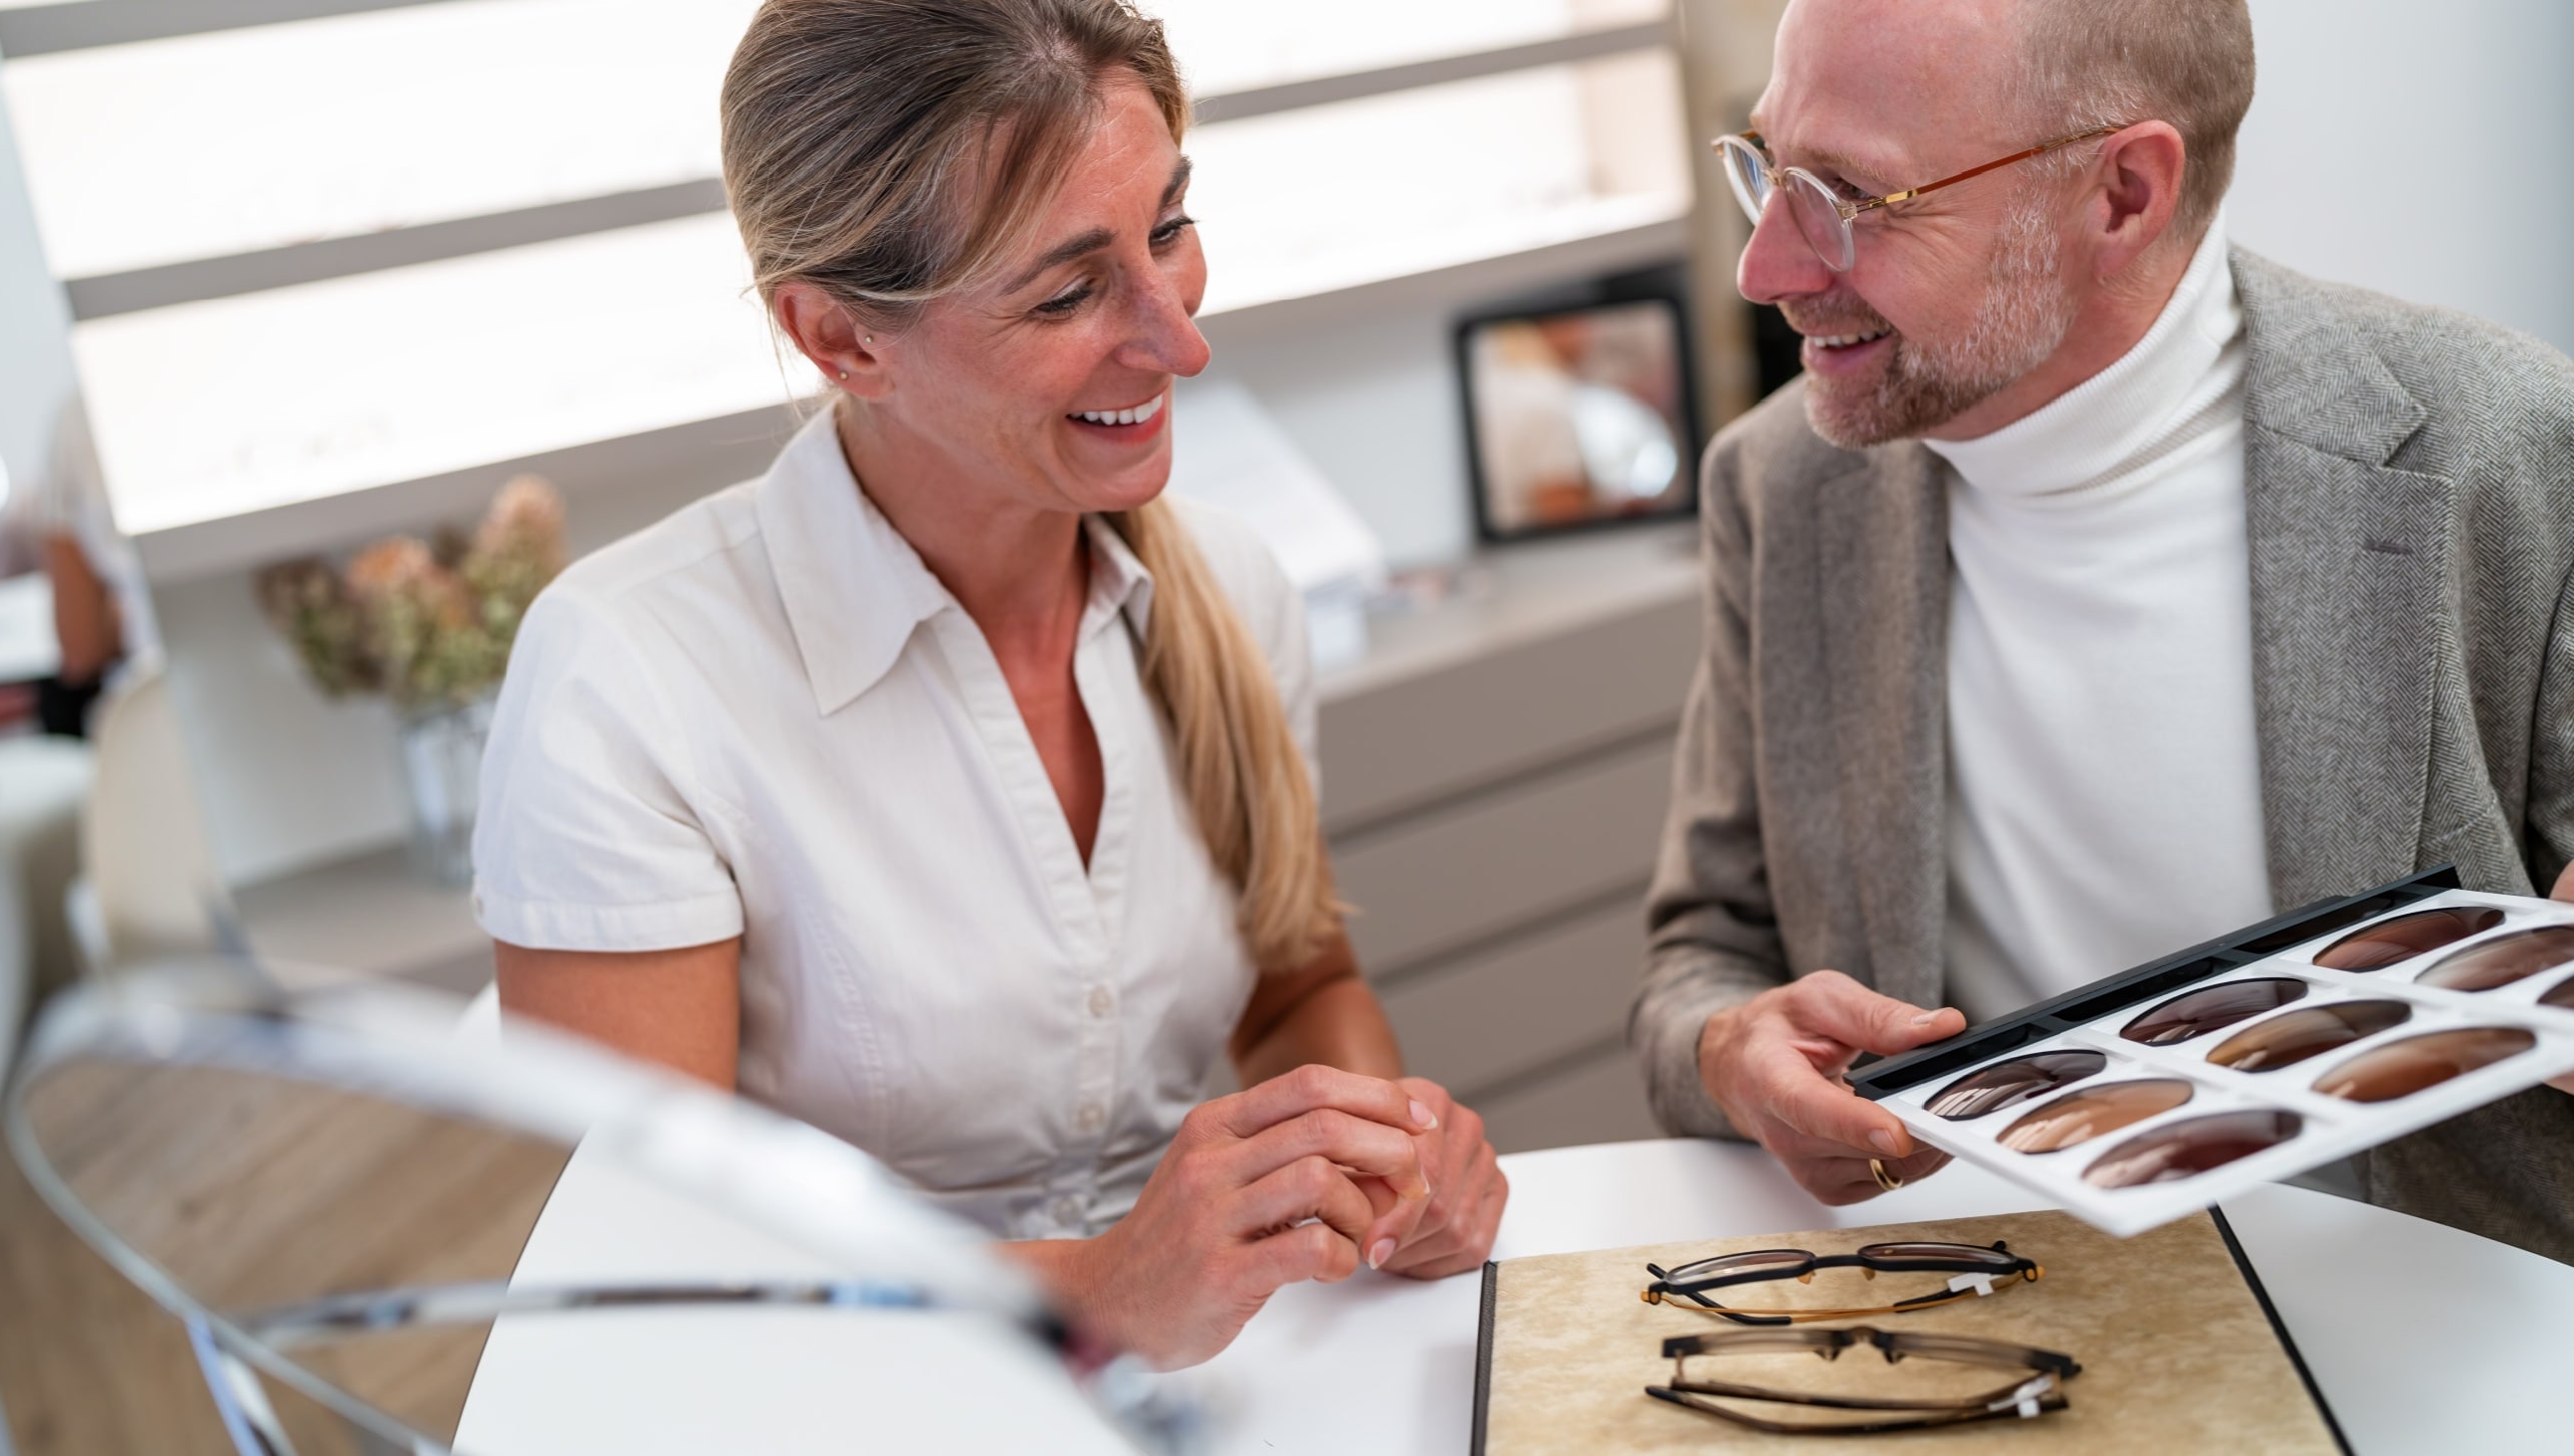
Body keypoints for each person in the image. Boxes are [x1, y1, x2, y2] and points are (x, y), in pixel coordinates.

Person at [473, 0, 1506, 1369]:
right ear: (842, 340)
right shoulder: (632, 676)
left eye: (1170, 229)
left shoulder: (1233, 591)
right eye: (1069, 292)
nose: (1180, 339)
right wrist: (1097, 1284)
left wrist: (1386, 1162)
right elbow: (651, 1275)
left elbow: (1293, 987)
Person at [1630, 0, 2574, 1262]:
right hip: (1969, 1327)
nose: (1767, 270)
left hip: (2435, 1325)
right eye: (1766, 168)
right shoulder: (1778, 489)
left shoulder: (2501, 450)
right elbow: (1701, 956)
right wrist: (1727, 1049)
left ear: (2121, 194)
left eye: (1849, 194)